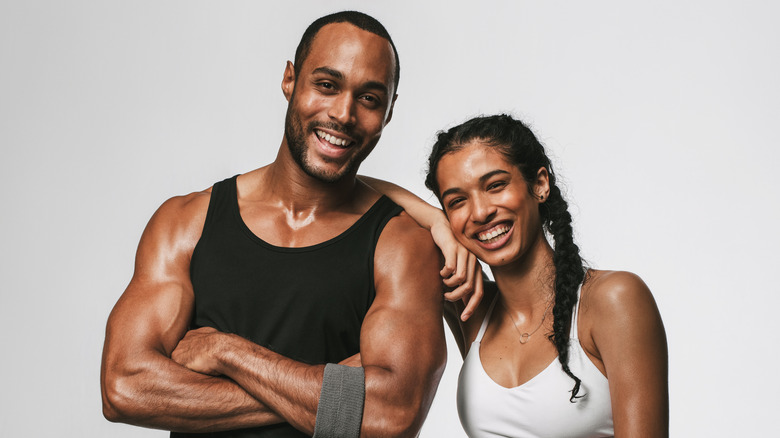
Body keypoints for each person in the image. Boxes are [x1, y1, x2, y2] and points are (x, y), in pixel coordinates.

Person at [100, 11, 447, 438]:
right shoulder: (186, 222)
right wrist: (333, 390)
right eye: (326, 85)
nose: (343, 113)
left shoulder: (402, 245)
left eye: (370, 99)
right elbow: (125, 387)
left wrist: (227, 352)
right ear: (290, 80)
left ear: (388, 114)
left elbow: (389, 416)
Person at [368, 114, 669, 437]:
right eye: (458, 201)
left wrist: (443, 216)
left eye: (495, 186)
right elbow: (354, 188)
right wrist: (437, 222)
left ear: (539, 184)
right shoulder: (472, 308)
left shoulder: (613, 299)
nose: (481, 212)